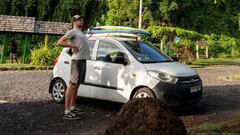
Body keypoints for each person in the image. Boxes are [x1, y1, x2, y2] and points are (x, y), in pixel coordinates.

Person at [57, 15, 90, 120]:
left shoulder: (80, 32)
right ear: (75, 21)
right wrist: (72, 46)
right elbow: (60, 42)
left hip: (83, 60)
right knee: (72, 85)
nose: (82, 21)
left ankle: (72, 107)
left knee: (77, 85)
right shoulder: (72, 31)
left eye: (82, 19)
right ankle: (66, 111)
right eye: (79, 20)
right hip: (77, 61)